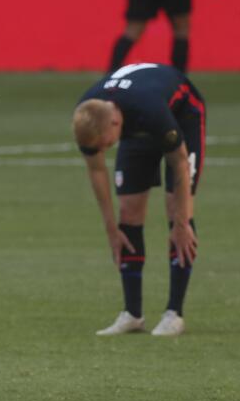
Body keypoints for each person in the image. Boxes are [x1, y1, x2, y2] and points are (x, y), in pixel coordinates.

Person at [72, 62, 205, 337]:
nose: (105, 150)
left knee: (176, 207)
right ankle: (133, 314)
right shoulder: (88, 114)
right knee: (129, 211)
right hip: (137, 130)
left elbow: (179, 162)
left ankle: (174, 313)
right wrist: (111, 229)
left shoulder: (150, 110)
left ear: (115, 123)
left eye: (107, 145)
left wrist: (181, 222)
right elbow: (97, 170)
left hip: (182, 117)